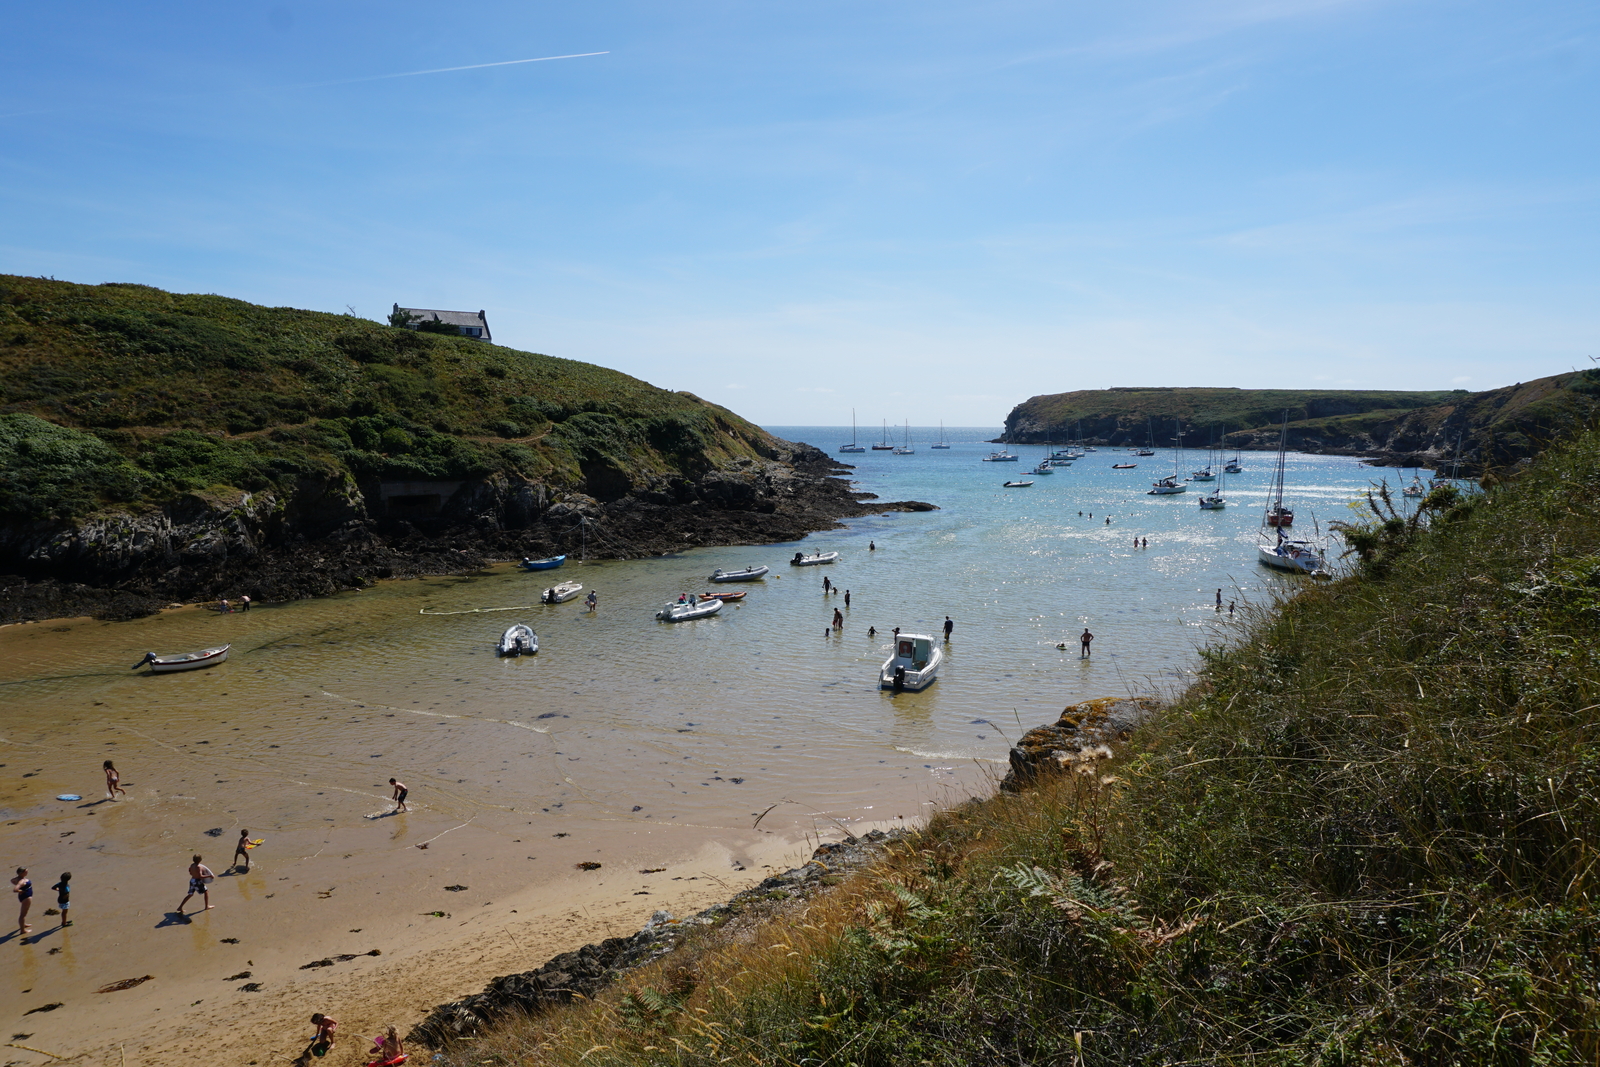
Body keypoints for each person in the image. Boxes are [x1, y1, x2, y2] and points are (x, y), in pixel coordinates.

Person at [11, 867, 31, 936]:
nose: (27, 872)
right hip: (26, 897)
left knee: (24, 913)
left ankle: (24, 924)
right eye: (26, 872)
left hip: (23, 897)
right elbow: (15, 889)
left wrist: (19, 887)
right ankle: (23, 931)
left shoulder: (17, 878)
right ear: (21, 873)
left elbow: (12, 880)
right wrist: (21, 890)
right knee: (23, 915)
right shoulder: (21, 881)